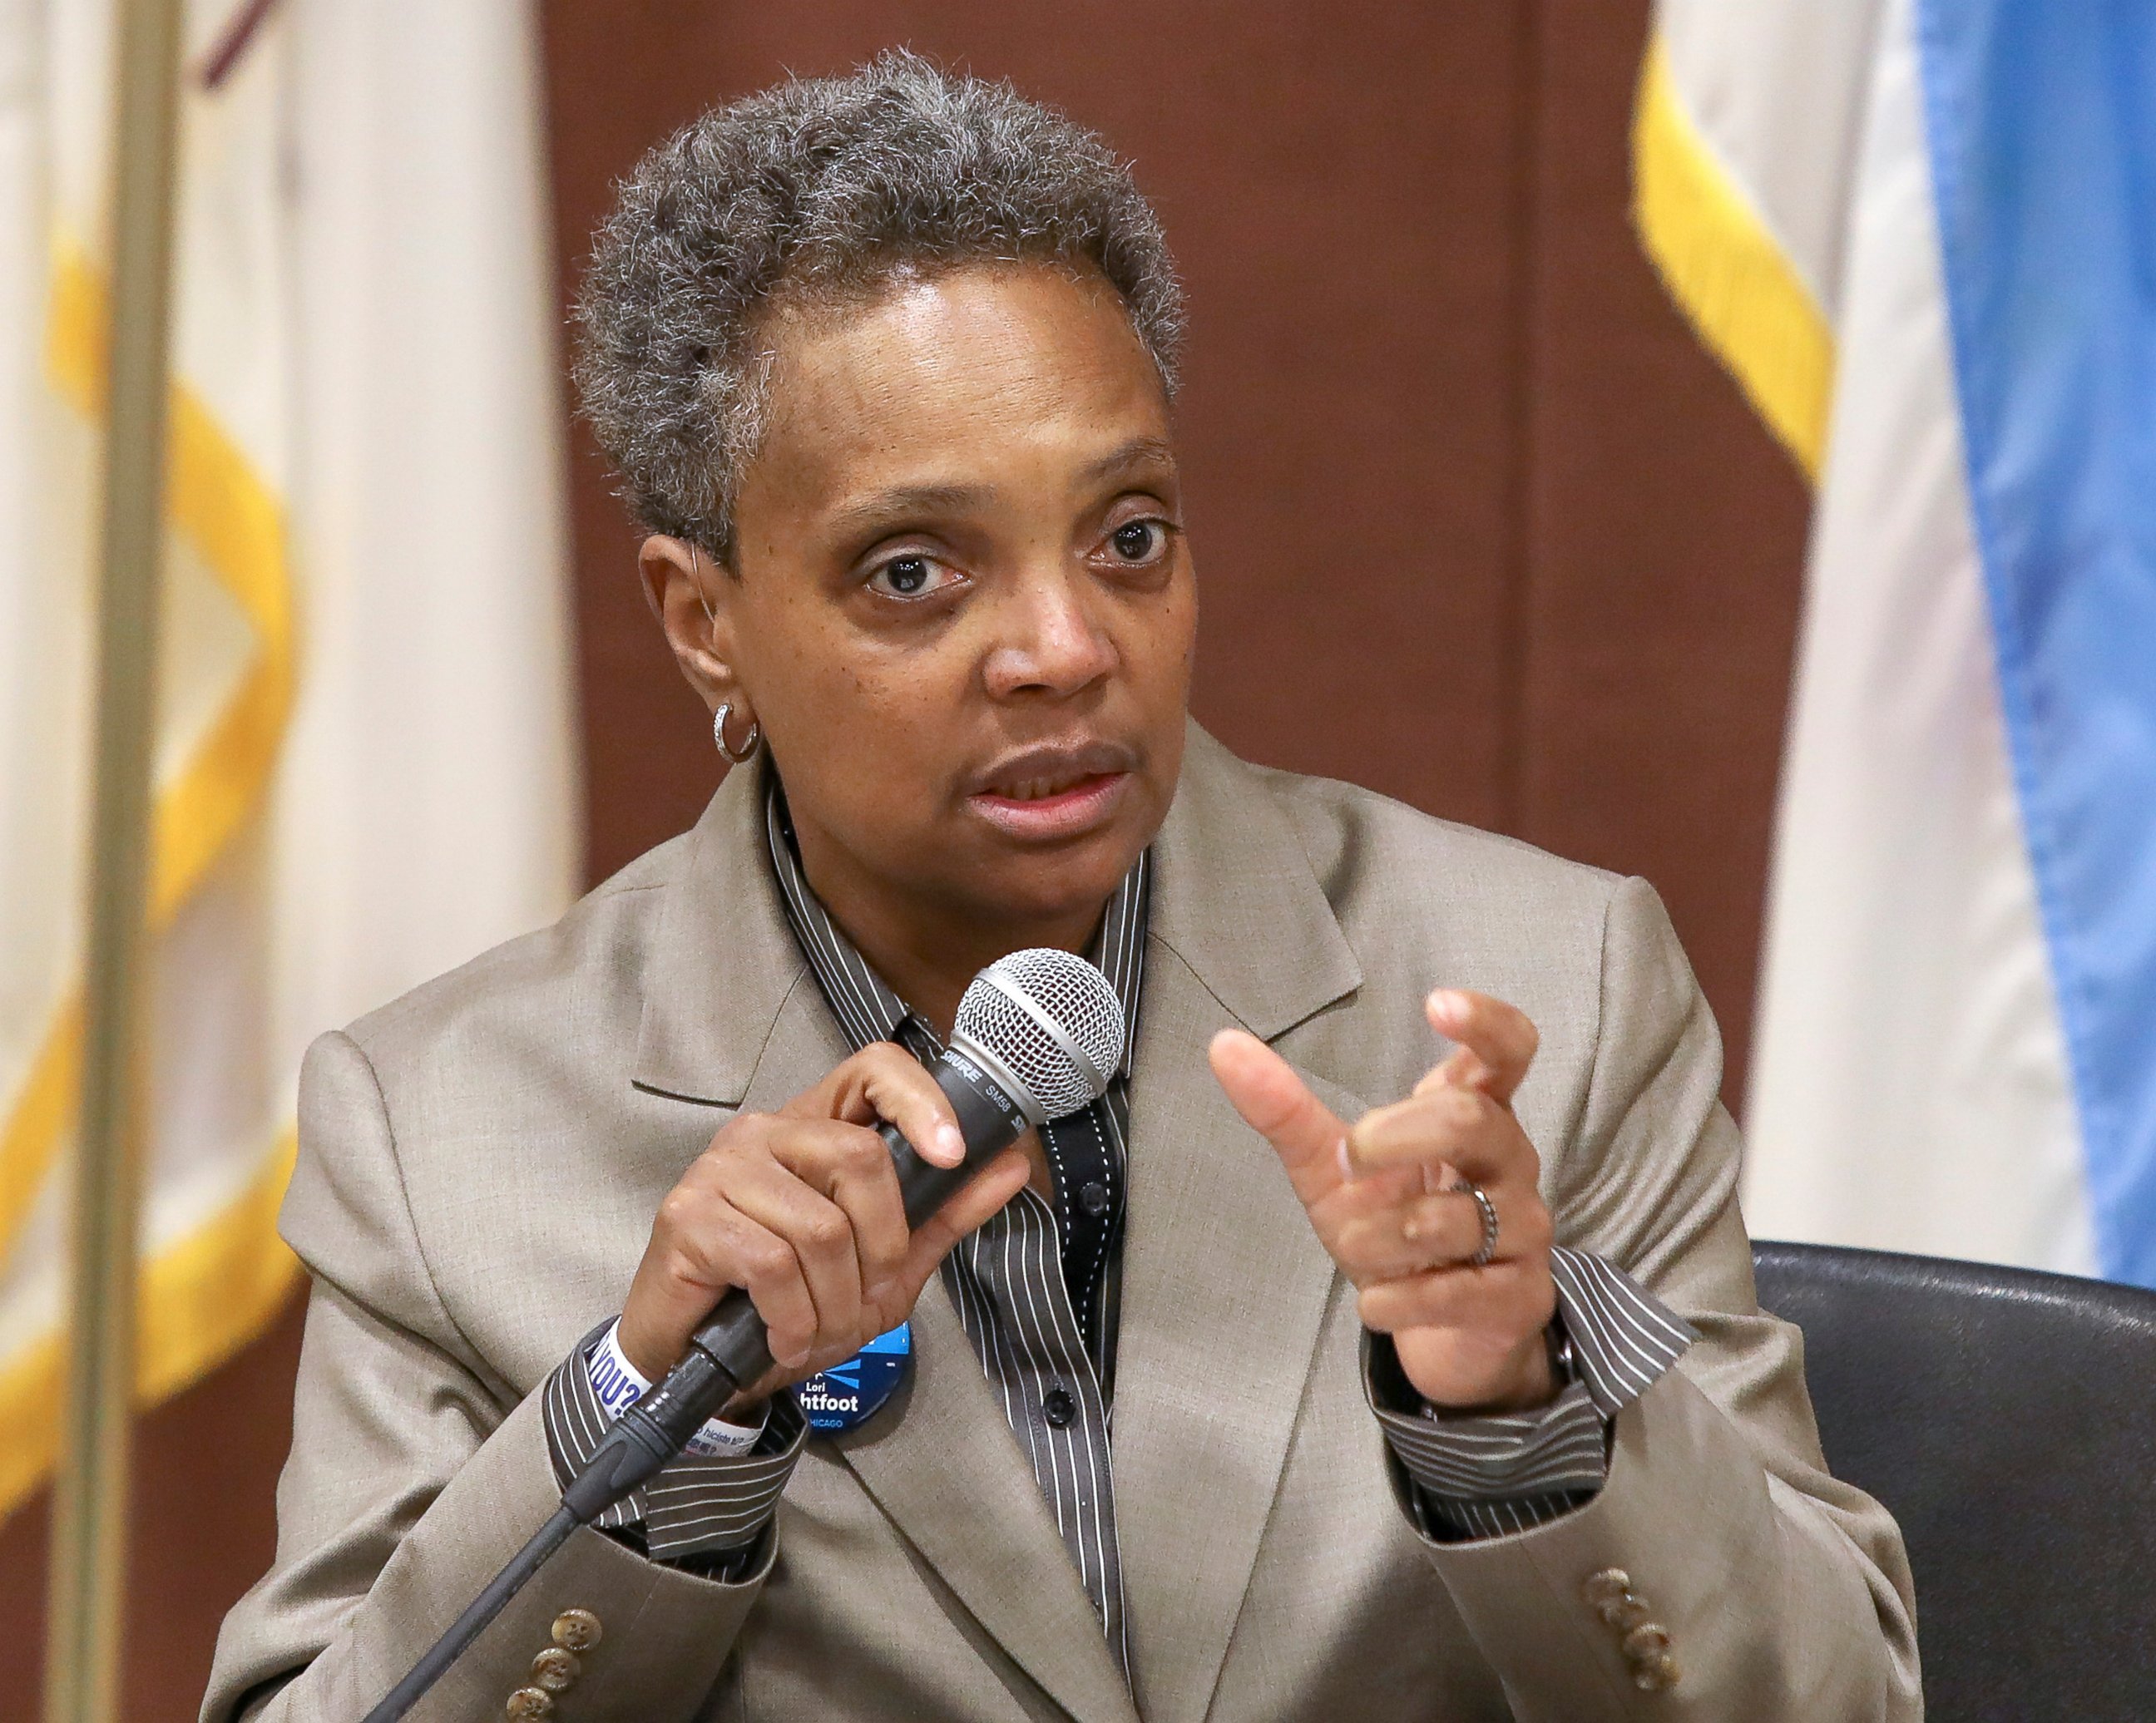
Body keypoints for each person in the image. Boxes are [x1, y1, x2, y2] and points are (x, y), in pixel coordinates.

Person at [205, 52, 1918, 1722]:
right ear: (701, 616)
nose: (1064, 648)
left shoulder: (1538, 989)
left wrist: (1523, 1393)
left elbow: (1840, 1701)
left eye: (1129, 537)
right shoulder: (448, 1129)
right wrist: (656, 1417)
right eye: (913, 571)